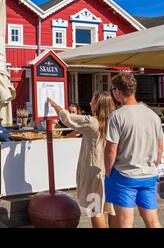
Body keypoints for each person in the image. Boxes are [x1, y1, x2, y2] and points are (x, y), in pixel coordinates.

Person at [48, 92, 116, 228]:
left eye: (92, 102)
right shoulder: (115, 122)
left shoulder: (91, 122)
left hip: (95, 171)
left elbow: (66, 117)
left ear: (98, 104)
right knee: (112, 209)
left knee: (95, 210)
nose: (90, 104)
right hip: (112, 170)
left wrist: (54, 104)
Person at [105, 72, 163, 228]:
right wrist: (152, 166)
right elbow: (159, 149)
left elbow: (111, 150)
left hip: (125, 175)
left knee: (125, 223)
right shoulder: (153, 115)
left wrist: (108, 173)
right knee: (153, 221)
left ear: (117, 91)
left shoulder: (117, 116)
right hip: (149, 174)